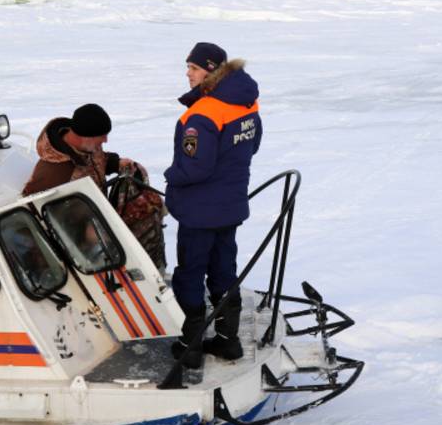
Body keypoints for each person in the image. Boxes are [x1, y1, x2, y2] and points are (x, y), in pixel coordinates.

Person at [164, 42, 262, 369]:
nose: (187, 74)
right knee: (223, 270)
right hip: (230, 205)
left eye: (193, 68)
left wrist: (170, 175)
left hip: (199, 211)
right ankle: (227, 340)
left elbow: (194, 168)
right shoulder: (247, 103)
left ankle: (190, 344)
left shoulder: (202, 114)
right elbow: (254, 145)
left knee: (190, 273)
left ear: (210, 70)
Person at [22, 104, 166, 269]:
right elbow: (35, 213)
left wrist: (115, 163)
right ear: (85, 137)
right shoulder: (54, 172)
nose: (105, 140)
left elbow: (96, 160)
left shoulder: (87, 147)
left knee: (148, 206)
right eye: (102, 136)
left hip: (96, 218)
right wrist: (84, 228)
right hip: (79, 243)